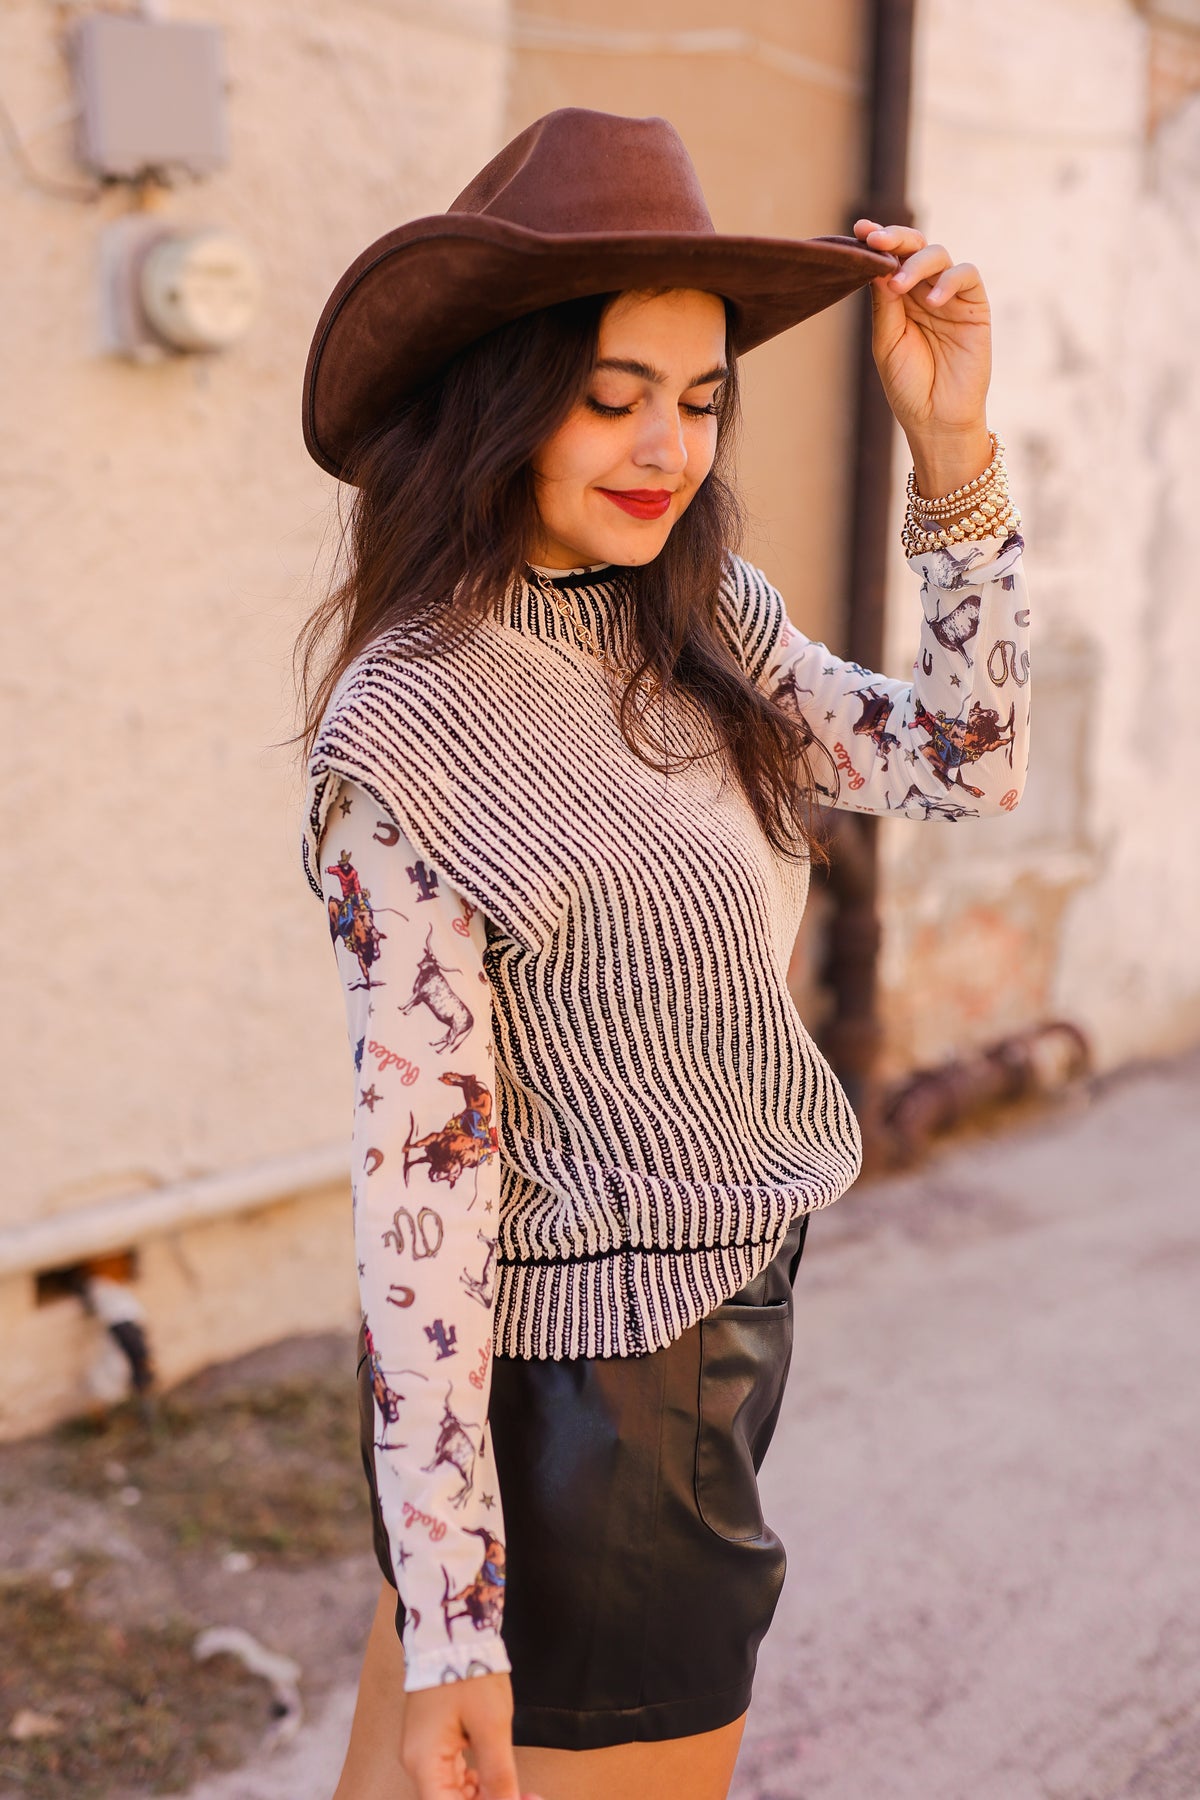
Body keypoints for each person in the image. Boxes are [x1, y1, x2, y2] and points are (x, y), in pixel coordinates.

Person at [293, 108, 1029, 1800]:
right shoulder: (412, 724)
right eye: (612, 394)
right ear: (500, 392)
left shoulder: (695, 617)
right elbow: (423, 1189)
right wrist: (463, 1610)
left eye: (700, 400)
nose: (666, 449)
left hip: (676, 1362)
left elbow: (966, 760)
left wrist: (953, 452)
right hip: (605, 1421)